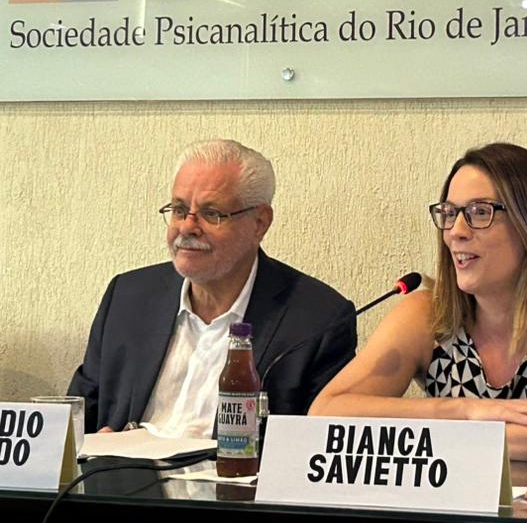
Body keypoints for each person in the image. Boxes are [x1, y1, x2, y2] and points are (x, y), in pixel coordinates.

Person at [309, 142, 527, 472]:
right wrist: (465, 411)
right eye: (449, 213)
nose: (456, 232)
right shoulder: (428, 315)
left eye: (480, 212)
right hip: (465, 509)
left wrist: (433, 434)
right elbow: (326, 414)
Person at [69, 139, 356, 436]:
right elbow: (78, 414)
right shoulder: (128, 296)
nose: (187, 227)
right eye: (179, 210)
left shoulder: (317, 320)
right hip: (119, 465)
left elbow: (316, 444)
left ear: (260, 223)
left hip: (232, 467)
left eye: (211, 214)